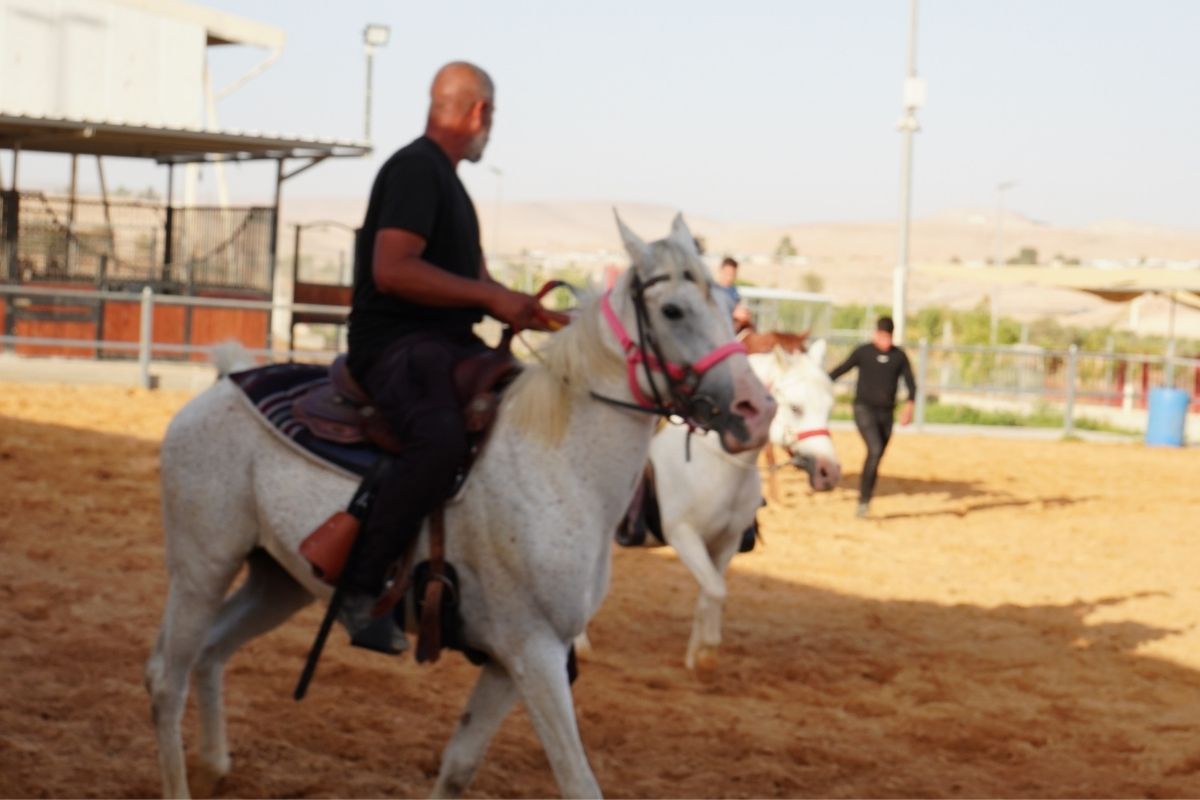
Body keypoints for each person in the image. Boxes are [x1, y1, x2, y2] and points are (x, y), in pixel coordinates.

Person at [340, 61, 568, 653]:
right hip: (397, 346)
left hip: (445, 345)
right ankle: (360, 589)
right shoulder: (416, 169)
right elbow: (391, 270)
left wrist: (526, 311)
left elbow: (473, 279)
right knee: (439, 439)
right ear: (479, 113)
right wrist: (491, 296)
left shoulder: (448, 182)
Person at [827, 316, 916, 518]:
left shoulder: (899, 356)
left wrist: (909, 406)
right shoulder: (863, 352)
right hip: (863, 409)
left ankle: (865, 499)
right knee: (874, 450)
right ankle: (863, 502)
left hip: (886, 414)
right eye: (882, 336)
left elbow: (911, 383)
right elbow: (841, 369)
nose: (885, 341)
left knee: (876, 457)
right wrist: (820, 381)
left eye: (889, 337)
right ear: (876, 334)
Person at [714, 256, 752, 332]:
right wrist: (733, 314)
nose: (729, 277)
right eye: (727, 273)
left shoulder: (734, 290)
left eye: (732, 274)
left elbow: (738, 306)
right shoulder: (714, 291)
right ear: (721, 271)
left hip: (735, 328)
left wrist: (744, 313)